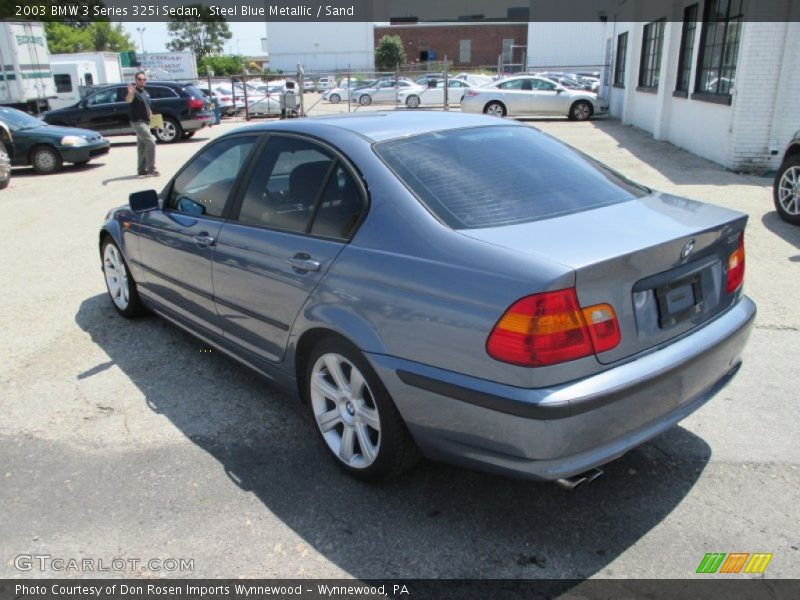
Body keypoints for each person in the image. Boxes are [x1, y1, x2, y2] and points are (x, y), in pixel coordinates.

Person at [126, 72, 158, 177]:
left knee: (142, 146)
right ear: (135, 80)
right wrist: (130, 92)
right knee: (151, 142)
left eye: (144, 79)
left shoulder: (146, 92)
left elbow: (148, 109)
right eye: (140, 79)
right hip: (137, 122)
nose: (142, 81)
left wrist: (155, 123)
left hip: (146, 122)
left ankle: (141, 170)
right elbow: (128, 100)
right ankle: (151, 169)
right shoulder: (134, 91)